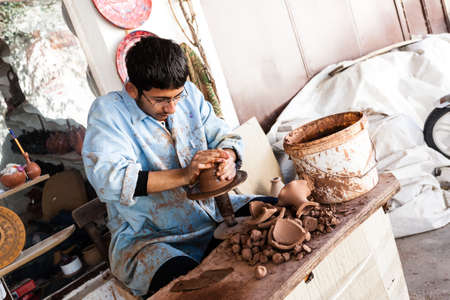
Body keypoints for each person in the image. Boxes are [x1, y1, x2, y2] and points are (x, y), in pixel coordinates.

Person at [82, 36, 258, 296]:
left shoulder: (188, 95)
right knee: (198, 289)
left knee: (280, 213)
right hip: (150, 238)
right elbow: (110, 181)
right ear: (132, 90)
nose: (173, 108)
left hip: (214, 213)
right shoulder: (108, 113)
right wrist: (185, 175)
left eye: (178, 96)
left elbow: (223, 134)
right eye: (161, 100)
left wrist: (229, 157)